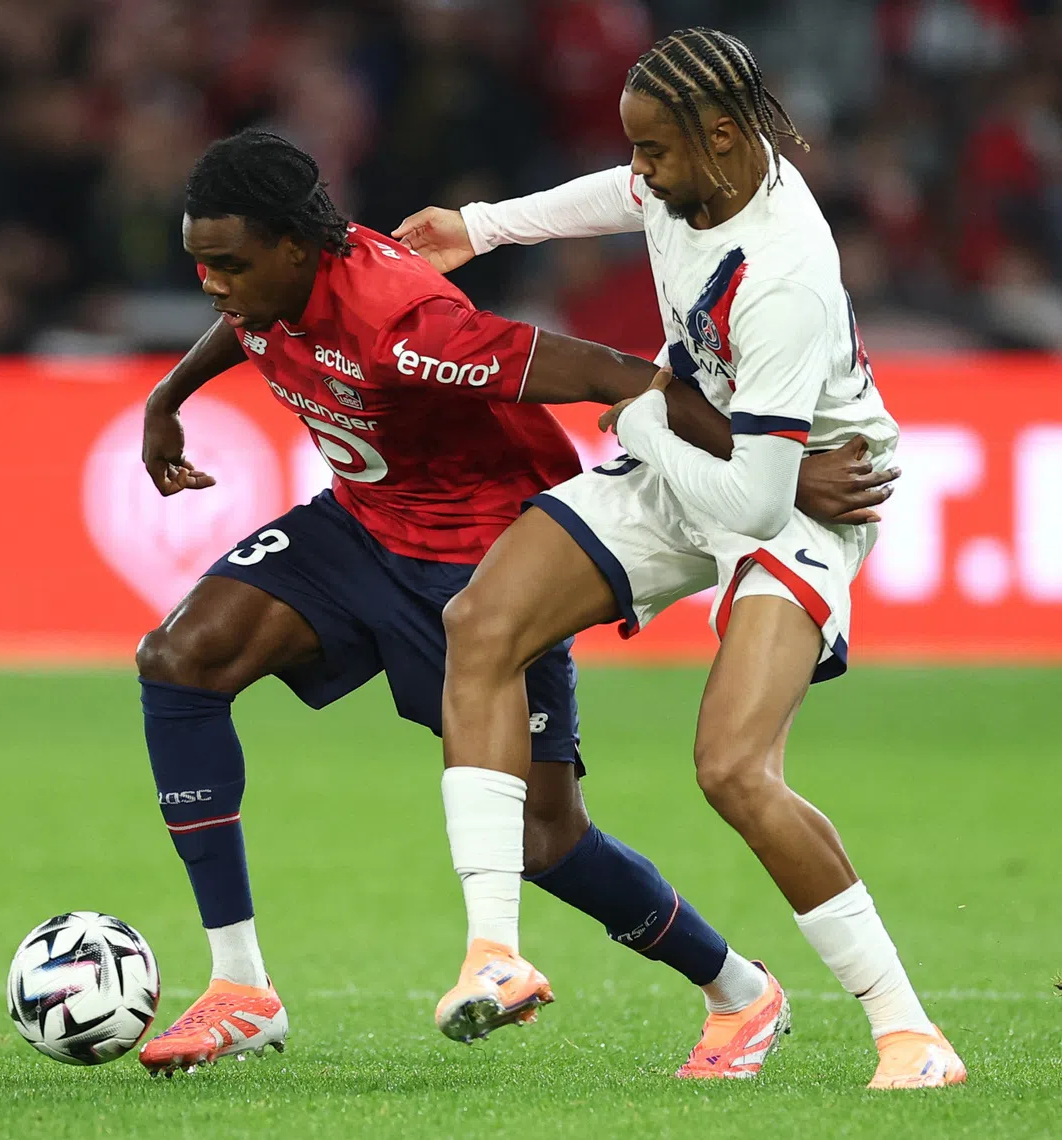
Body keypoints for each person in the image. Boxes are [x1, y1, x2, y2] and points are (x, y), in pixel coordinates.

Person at [134, 130, 892, 1077]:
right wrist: (170, 394)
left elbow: (615, 374)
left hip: (481, 556)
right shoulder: (268, 276)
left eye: (228, 265)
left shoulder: (407, 327)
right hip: (360, 526)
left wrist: (776, 471)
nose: (212, 284)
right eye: (200, 263)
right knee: (180, 657)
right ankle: (241, 988)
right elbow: (250, 320)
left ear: (296, 247)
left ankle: (739, 987)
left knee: (547, 839)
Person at [395, 28, 966, 1089]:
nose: (641, 173)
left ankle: (909, 1031)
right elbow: (615, 198)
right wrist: (479, 229)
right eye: (635, 150)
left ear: (719, 136)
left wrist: (641, 407)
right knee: (479, 624)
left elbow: (754, 498)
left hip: (806, 494)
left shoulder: (784, 275)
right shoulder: (696, 174)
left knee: (734, 771)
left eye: (654, 152)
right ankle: (494, 953)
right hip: (702, 439)